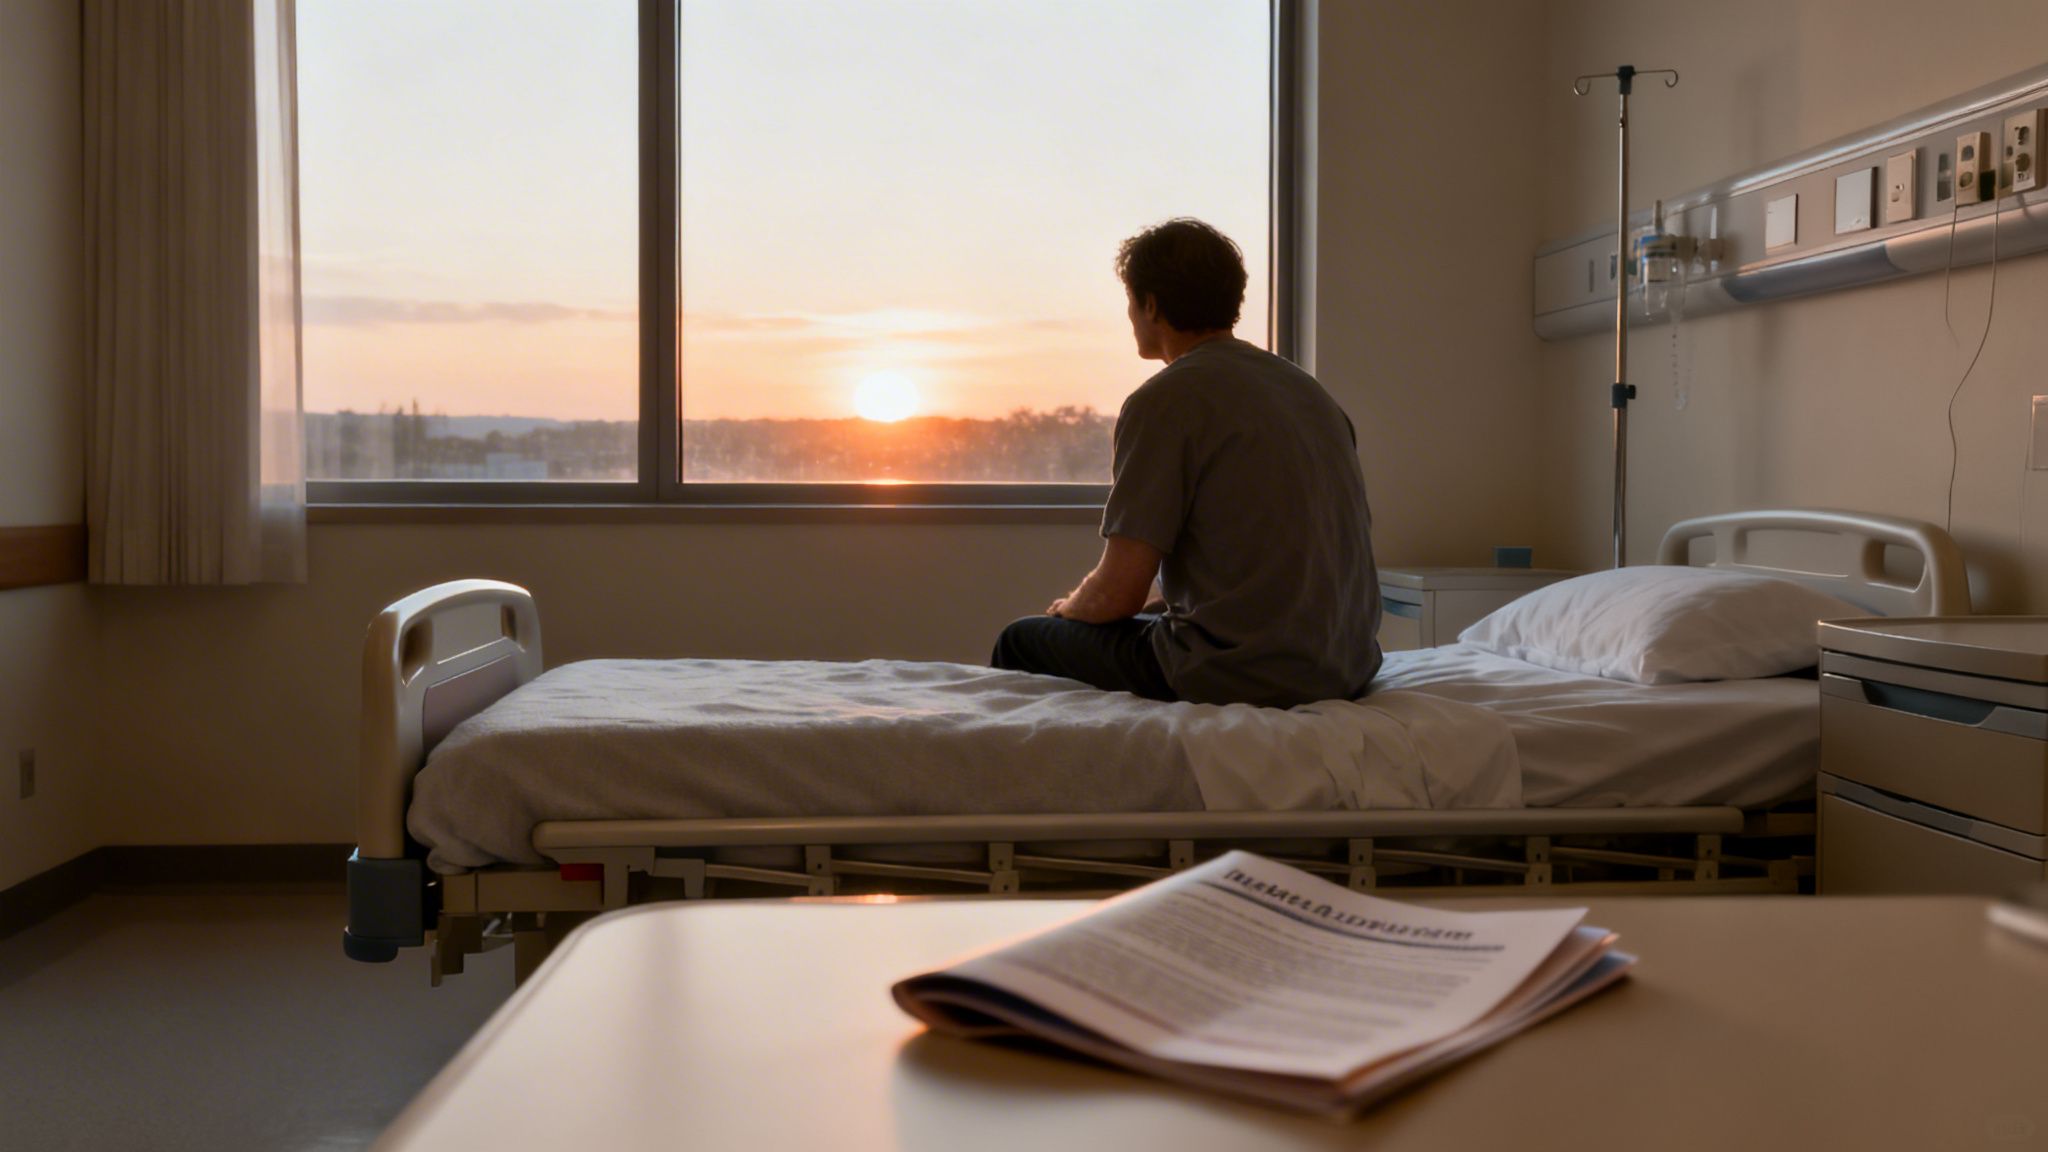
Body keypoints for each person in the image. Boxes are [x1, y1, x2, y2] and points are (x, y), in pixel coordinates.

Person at [991, 218, 1381, 709]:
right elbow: (1263, 565)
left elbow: (1118, 594)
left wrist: (1068, 610)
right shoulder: (1311, 394)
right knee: (1141, 624)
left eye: (1131, 302)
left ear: (1150, 304)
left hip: (1247, 672)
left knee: (1021, 639)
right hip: (1343, 665)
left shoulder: (1166, 400)